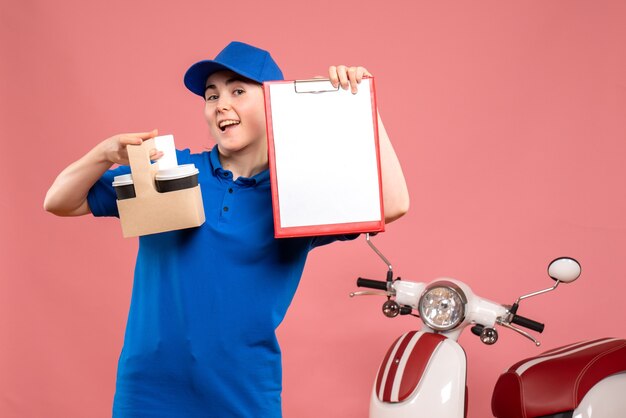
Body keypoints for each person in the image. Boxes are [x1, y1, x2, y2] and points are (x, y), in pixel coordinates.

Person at [44, 41, 409, 418]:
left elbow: (395, 203)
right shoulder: (169, 171)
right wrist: (102, 154)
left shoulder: (299, 195)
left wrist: (362, 105)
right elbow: (60, 200)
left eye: (237, 90)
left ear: (273, 104)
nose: (220, 104)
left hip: (243, 397)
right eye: (211, 95)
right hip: (148, 394)